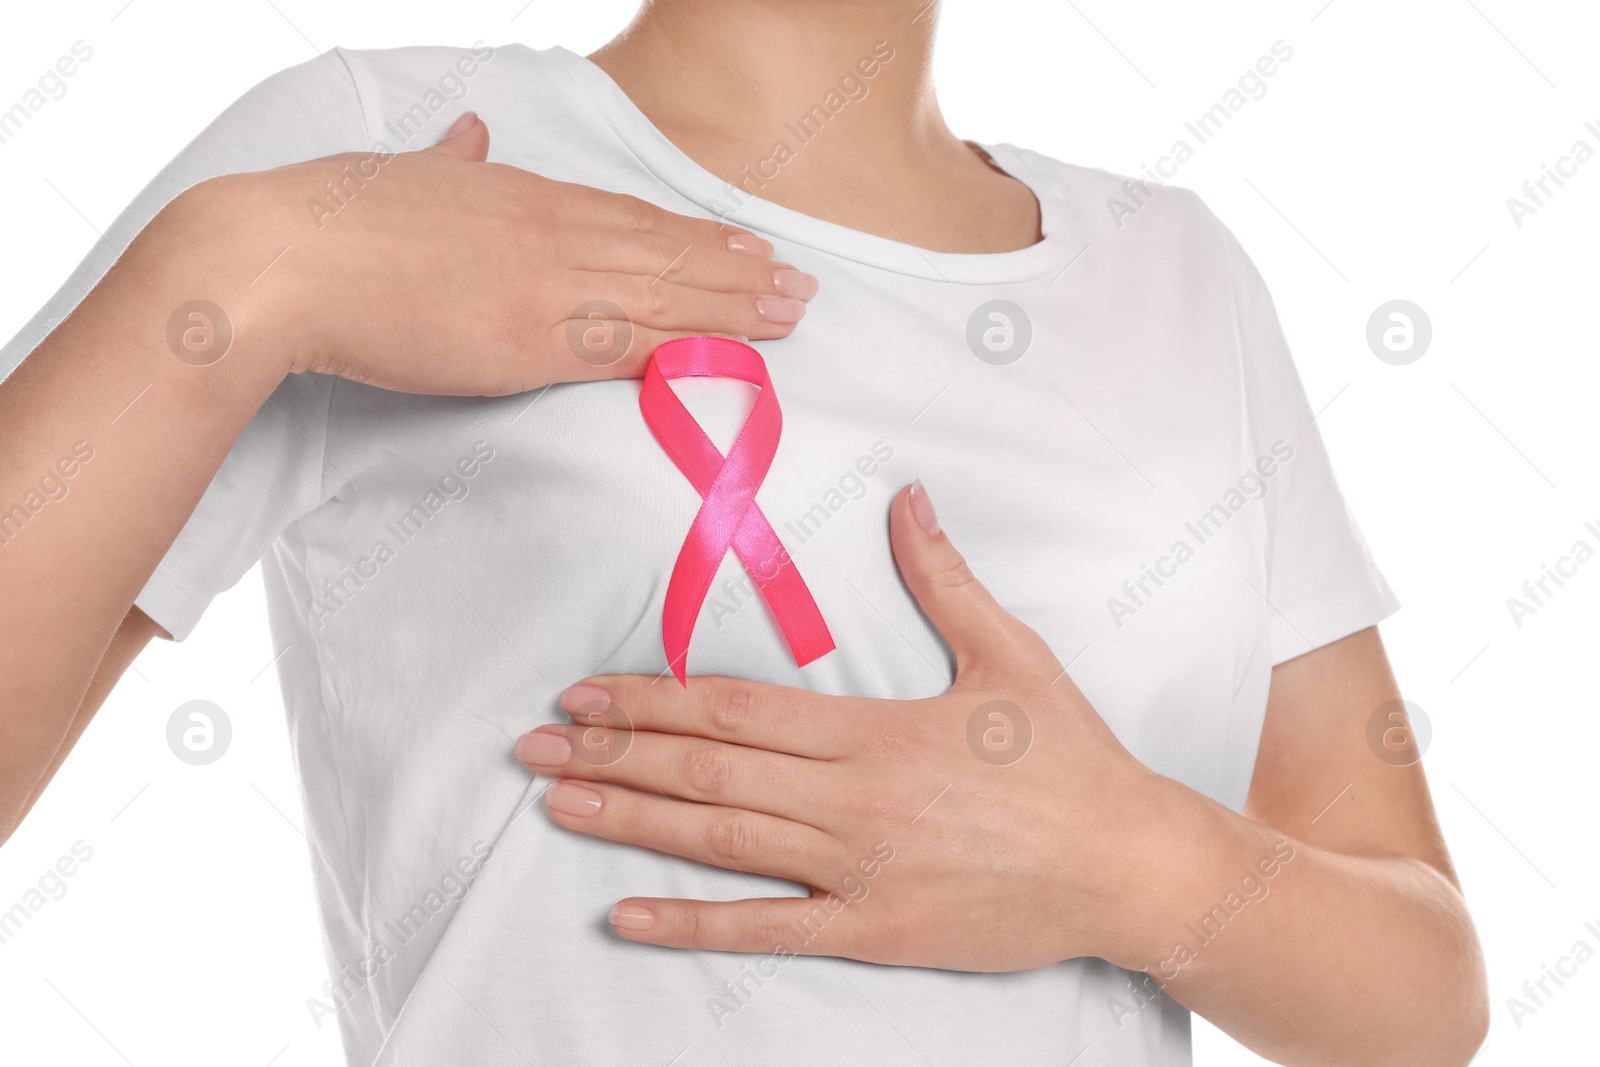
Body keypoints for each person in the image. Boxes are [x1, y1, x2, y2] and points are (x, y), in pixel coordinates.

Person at [0, 2, 1488, 1064]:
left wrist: (1133, 866)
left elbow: (1426, 1004)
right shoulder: (395, 141)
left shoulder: (1182, 276)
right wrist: (242, 273)